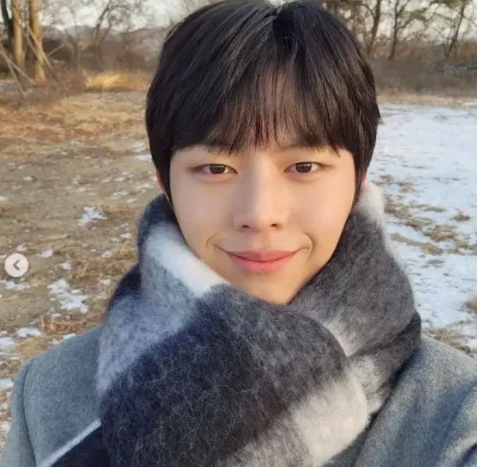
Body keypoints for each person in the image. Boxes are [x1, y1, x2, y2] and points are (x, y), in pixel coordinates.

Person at [2, 1, 477, 466]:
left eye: (304, 166)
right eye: (215, 168)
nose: (259, 213)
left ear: (358, 181)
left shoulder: (455, 418)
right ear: (166, 183)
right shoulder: (48, 400)